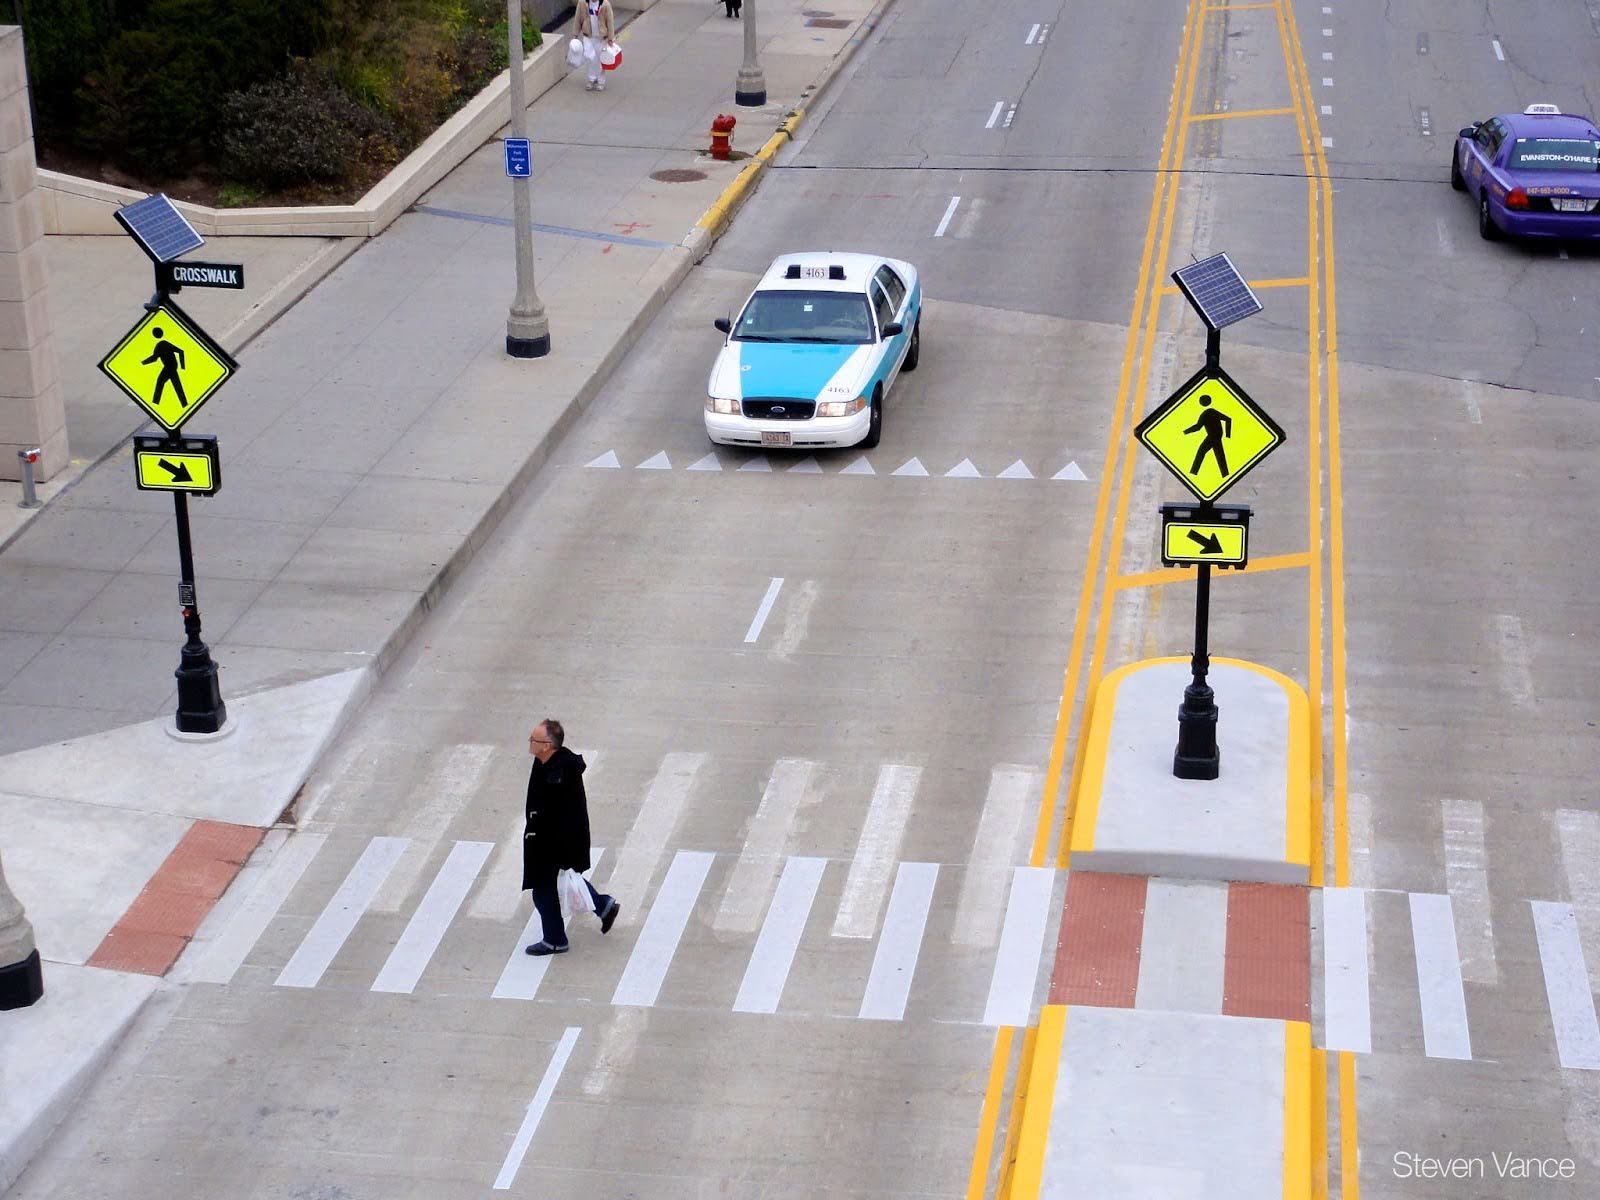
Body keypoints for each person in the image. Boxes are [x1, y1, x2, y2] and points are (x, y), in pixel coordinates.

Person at [522, 719, 620, 955]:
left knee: (543, 890)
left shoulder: (559, 774)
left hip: (554, 844)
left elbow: (563, 818)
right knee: (564, 880)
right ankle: (604, 906)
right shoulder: (544, 761)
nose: (529, 743)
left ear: (547, 745)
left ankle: (555, 939)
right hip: (548, 841)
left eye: (533, 740)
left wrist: (560, 853)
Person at [573, 0, 616, 92]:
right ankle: (591, 79)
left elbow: (610, 21)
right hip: (588, 36)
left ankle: (600, 81)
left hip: (601, 38)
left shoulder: (605, 4)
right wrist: (575, 34)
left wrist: (610, 38)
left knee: (600, 60)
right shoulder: (582, 3)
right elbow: (577, 19)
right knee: (589, 57)